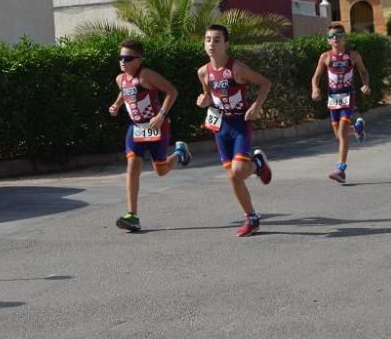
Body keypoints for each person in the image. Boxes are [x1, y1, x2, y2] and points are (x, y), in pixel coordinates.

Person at [195, 25, 273, 237]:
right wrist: (205, 101)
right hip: (220, 126)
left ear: (226, 44)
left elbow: (265, 84)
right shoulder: (203, 72)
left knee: (238, 171)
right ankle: (252, 217)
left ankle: (257, 163)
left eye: (217, 40)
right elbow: (210, 96)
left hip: (239, 123)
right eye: (208, 39)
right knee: (233, 177)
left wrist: (256, 106)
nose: (211, 44)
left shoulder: (237, 69)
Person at [109, 39, 191, 232]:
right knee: (132, 166)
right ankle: (132, 215)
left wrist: (161, 115)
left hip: (156, 127)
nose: (122, 61)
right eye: (120, 57)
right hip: (136, 128)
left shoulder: (146, 75)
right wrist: (116, 105)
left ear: (138, 60)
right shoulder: (120, 79)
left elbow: (172, 91)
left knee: (161, 170)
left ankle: (179, 153)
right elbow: (124, 92)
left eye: (127, 58)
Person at [311, 23, 371, 184]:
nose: (335, 38)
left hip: (348, 96)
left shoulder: (353, 56)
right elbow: (315, 77)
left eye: (338, 35)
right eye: (331, 36)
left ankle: (341, 169)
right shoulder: (325, 57)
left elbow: (363, 72)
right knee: (338, 134)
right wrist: (315, 89)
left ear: (345, 37)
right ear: (328, 41)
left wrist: (366, 84)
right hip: (333, 98)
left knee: (343, 133)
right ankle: (357, 129)